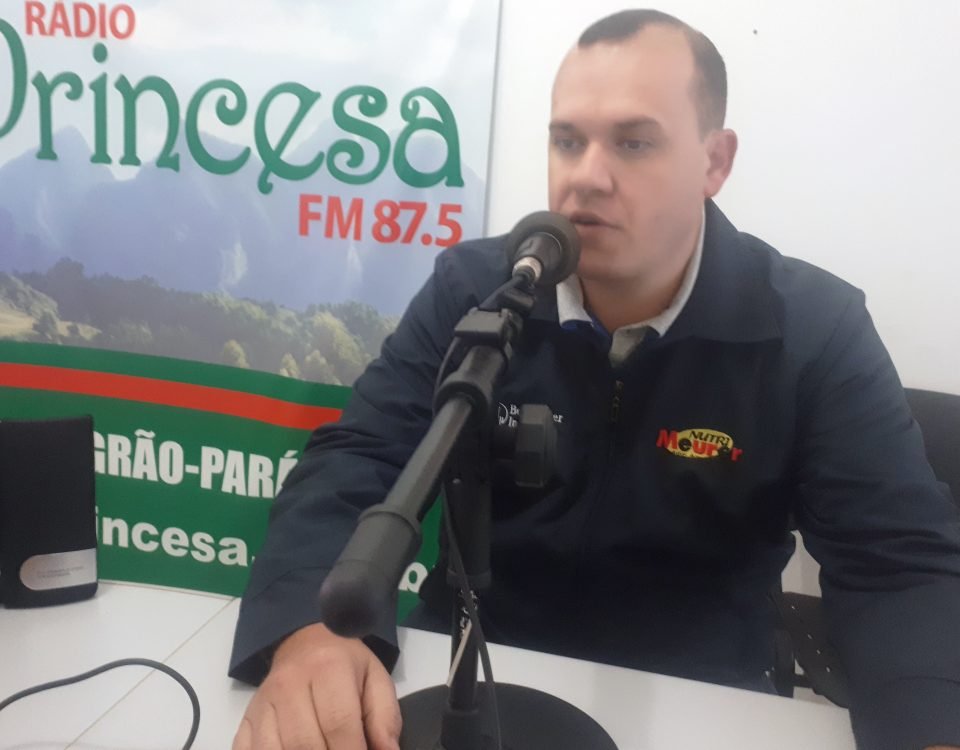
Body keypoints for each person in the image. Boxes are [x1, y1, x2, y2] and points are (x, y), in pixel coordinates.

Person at [229, 9, 960, 750]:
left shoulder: (810, 329)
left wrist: (931, 726)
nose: (586, 175)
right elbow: (359, 458)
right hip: (476, 671)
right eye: (567, 140)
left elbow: (898, 564)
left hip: (702, 698)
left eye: (634, 142)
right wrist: (311, 630)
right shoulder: (475, 292)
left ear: (715, 161)